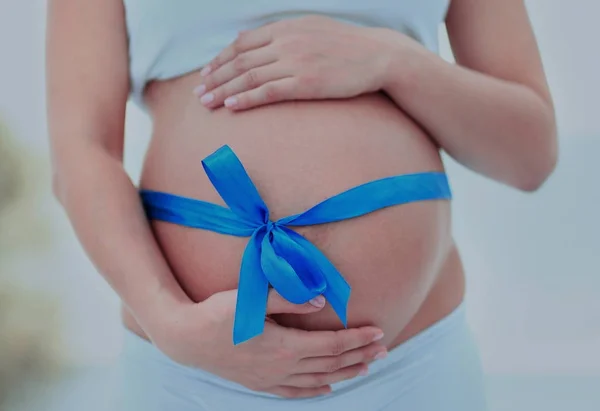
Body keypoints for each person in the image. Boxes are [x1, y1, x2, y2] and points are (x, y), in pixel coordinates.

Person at [46, 0, 557, 409]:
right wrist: (170, 324)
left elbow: (530, 156)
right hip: (189, 375)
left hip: (410, 368)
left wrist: (394, 61)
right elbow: (80, 151)